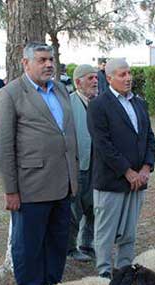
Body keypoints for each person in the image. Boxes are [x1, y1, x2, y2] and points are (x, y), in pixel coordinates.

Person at [0, 42, 77, 285]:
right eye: (41, 60)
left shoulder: (61, 90)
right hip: (31, 187)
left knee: (57, 243)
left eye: (50, 59)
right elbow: (3, 146)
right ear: (25, 63)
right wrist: (10, 190)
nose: (49, 64)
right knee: (28, 248)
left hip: (63, 184)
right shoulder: (11, 94)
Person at [88, 58, 155, 277]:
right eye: (122, 75)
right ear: (109, 78)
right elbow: (102, 144)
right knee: (105, 232)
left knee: (129, 232)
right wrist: (127, 172)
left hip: (138, 182)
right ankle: (104, 274)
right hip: (112, 180)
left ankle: (124, 271)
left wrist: (146, 168)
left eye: (129, 73)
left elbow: (149, 138)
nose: (128, 78)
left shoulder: (139, 103)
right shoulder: (99, 105)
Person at [66, 64, 99, 263]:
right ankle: (70, 247)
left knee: (94, 207)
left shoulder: (100, 102)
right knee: (74, 210)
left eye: (96, 78)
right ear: (78, 82)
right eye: (90, 78)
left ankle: (87, 244)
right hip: (78, 167)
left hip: (98, 167)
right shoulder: (68, 104)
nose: (95, 81)